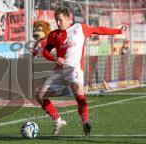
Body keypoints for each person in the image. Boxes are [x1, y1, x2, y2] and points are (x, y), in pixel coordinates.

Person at [36, 7, 127, 135]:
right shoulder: (54, 35)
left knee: (80, 97)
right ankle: (57, 120)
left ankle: (85, 122)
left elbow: (98, 30)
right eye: (56, 20)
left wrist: (118, 30)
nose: (58, 23)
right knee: (39, 95)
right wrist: (55, 58)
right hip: (59, 71)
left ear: (69, 19)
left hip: (74, 70)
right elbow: (45, 52)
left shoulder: (79, 28)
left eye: (60, 20)